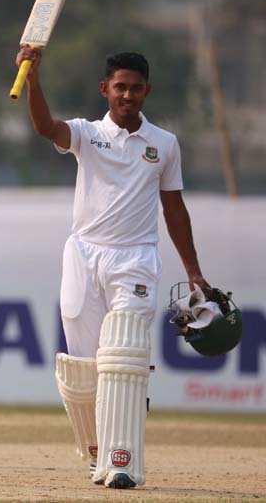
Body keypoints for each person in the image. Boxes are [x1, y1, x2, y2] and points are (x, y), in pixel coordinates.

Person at [15, 46, 209, 489]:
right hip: (84, 254)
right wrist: (32, 79)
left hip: (136, 257)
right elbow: (46, 127)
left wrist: (193, 271)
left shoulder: (164, 144)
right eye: (120, 87)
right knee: (84, 368)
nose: (128, 95)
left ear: (147, 91)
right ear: (105, 90)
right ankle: (97, 451)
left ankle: (123, 459)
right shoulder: (87, 134)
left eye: (136, 88)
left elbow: (174, 209)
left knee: (124, 355)